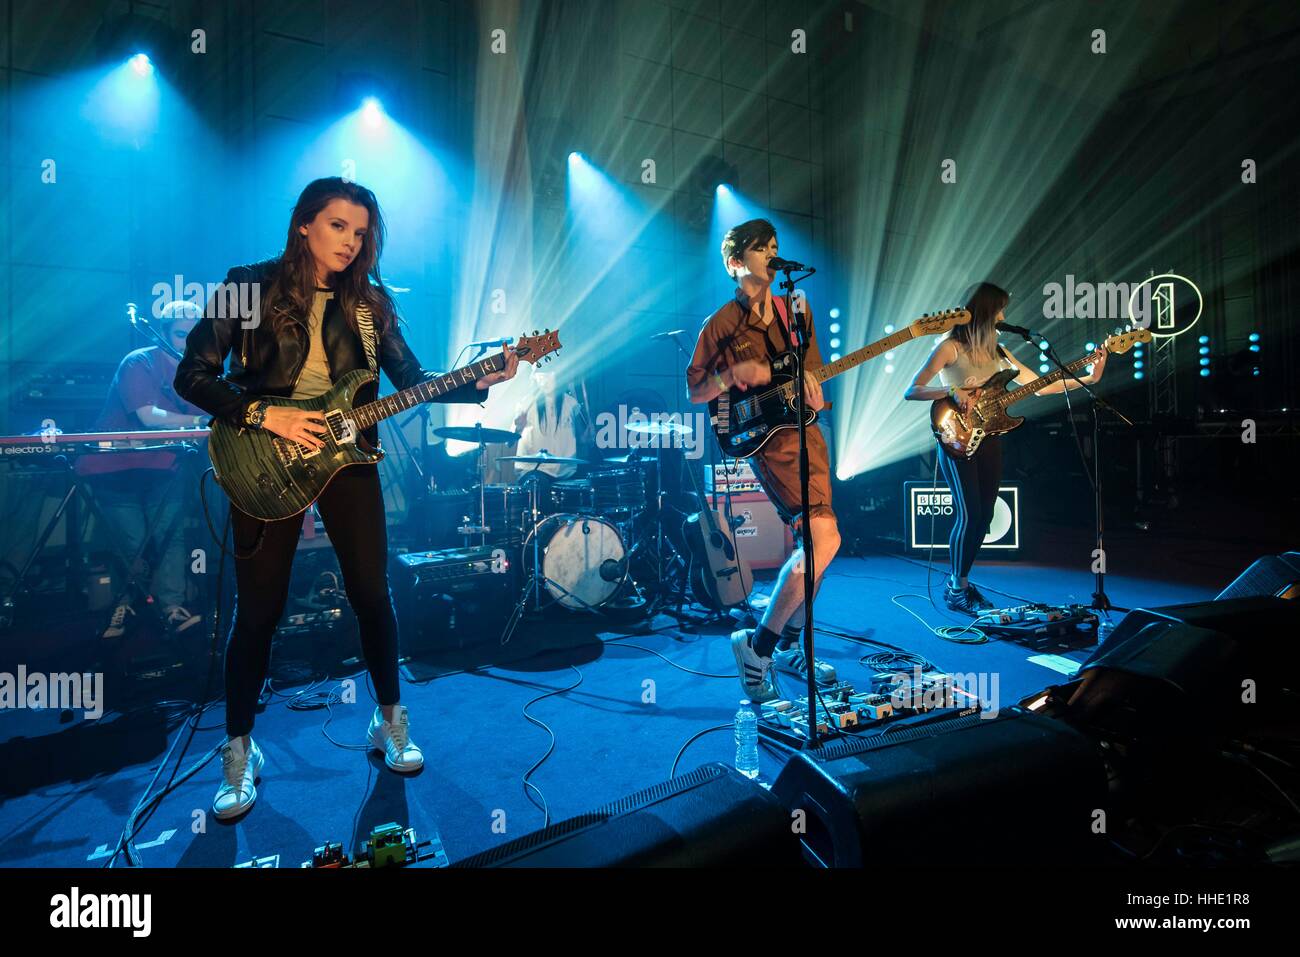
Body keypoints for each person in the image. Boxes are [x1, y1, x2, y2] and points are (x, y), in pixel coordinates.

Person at [175, 177, 518, 820]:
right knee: (259, 612)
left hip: (349, 458)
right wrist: (262, 414)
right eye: (338, 226)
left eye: (360, 233)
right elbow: (191, 375)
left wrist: (480, 379)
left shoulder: (370, 304)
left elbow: (411, 381)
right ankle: (240, 749)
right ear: (304, 224)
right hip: (262, 457)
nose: (351, 242)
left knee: (371, 592)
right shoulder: (249, 284)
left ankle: (389, 721)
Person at [686, 218, 840, 703]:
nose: (771, 255)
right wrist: (734, 374)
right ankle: (759, 648)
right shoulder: (720, 325)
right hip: (766, 439)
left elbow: (810, 368)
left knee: (824, 542)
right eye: (760, 249)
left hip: (807, 429)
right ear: (735, 264)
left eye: (774, 247)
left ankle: (787, 644)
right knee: (821, 536)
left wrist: (813, 383)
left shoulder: (795, 305)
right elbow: (695, 390)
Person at [903, 282, 1107, 614]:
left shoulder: (1001, 353)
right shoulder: (950, 347)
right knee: (969, 515)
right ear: (986, 311)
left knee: (983, 517)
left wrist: (1090, 377)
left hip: (990, 437)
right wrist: (951, 392)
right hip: (956, 435)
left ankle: (961, 583)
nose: (1003, 316)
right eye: (1000, 309)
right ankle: (957, 587)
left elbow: (1040, 387)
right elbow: (912, 390)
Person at [78, 300, 208, 638]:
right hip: (115, 469)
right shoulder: (139, 361)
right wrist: (199, 419)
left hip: (164, 466)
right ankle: (122, 605)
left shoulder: (196, 373)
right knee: (131, 542)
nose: (187, 342)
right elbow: (147, 416)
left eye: (195, 334)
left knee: (170, 537)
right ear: (163, 332)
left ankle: (171, 610)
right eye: (181, 334)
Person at [511, 367, 591, 479]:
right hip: (533, 472)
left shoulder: (571, 403)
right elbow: (509, 442)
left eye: (549, 374)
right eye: (541, 376)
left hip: (566, 473)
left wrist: (586, 438)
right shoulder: (525, 403)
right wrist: (518, 427)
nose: (544, 380)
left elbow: (582, 440)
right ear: (534, 377)